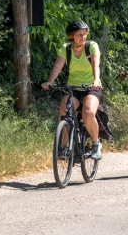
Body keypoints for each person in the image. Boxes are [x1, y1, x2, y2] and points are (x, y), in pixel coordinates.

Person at [42, 21, 104, 159]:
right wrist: (50, 82)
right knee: (64, 110)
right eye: (79, 34)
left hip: (91, 87)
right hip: (73, 87)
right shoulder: (66, 48)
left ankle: (95, 144)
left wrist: (96, 80)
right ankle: (63, 147)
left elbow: (96, 64)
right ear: (71, 36)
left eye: (84, 33)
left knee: (88, 112)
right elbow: (58, 65)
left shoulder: (91, 46)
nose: (83, 37)